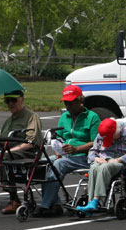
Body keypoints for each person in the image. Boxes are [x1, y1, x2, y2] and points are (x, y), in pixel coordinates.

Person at [35, 85, 100, 217]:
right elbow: (59, 137)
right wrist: (58, 150)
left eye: (70, 102)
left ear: (80, 101)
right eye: (65, 102)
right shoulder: (65, 116)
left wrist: (76, 148)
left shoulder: (92, 117)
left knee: (59, 164)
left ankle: (45, 205)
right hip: (66, 154)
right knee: (43, 162)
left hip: (85, 156)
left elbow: (96, 143)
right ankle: (55, 204)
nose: (67, 106)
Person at [0, 90, 42, 214]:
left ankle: (14, 199)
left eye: (13, 100)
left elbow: (30, 143)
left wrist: (6, 152)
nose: (10, 104)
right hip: (8, 152)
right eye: (7, 101)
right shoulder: (9, 121)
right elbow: (1, 143)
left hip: (27, 152)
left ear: (22, 99)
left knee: (1, 157)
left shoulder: (31, 117)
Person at [77, 118, 126, 214]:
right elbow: (93, 150)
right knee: (94, 167)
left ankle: (95, 201)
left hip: (120, 161)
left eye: (111, 138)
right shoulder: (102, 133)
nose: (111, 141)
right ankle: (90, 201)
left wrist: (119, 159)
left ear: (117, 131)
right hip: (103, 159)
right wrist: (96, 159)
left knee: (104, 167)